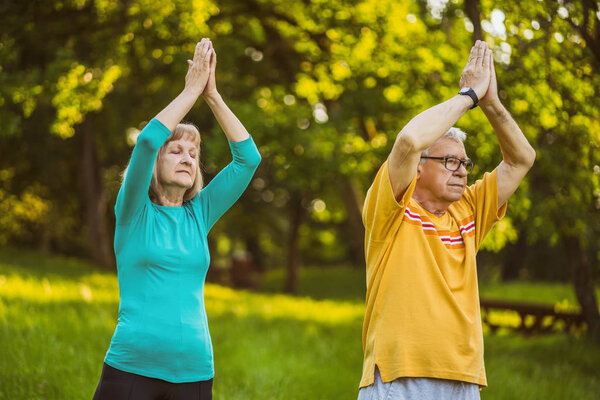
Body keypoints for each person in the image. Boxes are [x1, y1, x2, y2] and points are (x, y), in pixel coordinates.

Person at [358, 40, 536, 399]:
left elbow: (521, 159)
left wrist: (491, 104)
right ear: (419, 168)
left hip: (463, 377)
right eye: (449, 161)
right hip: (399, 376)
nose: (462, 171)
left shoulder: (468, 210)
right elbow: (409, 140)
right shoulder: (391, 208)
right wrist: (468, 95)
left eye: (465, 163)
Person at [93, 38, 261, 400]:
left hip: (195, 371)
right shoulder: (133, 211)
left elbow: (248, 159)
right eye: (176, 150)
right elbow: (146, 142)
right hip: (132, 368)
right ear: (156, 164)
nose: (187, 157)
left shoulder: (199, 213)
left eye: (193, 152)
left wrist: (212, 95)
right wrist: (190, 90)